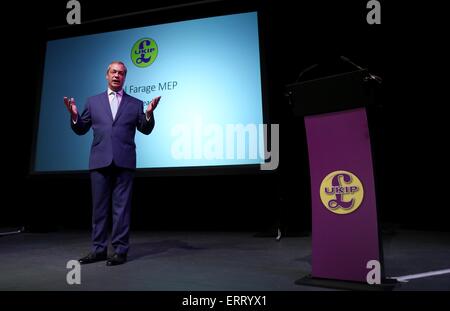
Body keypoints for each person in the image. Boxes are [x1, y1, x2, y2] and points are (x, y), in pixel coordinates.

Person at [64, 61, 161, 266]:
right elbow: (81, 128)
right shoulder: (93, 101)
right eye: (114, 72)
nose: (117, 75)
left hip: (124, 161)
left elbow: (145, 128)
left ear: (125, 77)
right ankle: (98, 250)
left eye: (122, 73)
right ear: (107, 75)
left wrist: (150, 113)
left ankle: (119, 250)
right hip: (99, 161)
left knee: (121, 209)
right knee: (98, 210)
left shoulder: (135, 103)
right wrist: (74, 116)